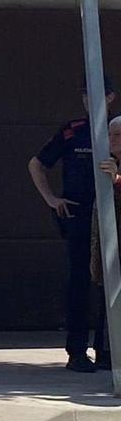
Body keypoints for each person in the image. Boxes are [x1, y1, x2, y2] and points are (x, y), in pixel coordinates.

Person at [28, 77, 115, 372]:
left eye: (95, 95)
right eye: (85, 95)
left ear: (110, 98)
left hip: (111, 216)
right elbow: (37, 163)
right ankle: (76, 352)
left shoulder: (115, 132)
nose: (88, 101)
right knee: (79, 282)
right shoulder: (73, 131)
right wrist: (51, 199)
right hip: (78, 215)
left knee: (111, 284)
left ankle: (107, 349)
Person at [89, 117, 121, 369]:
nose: (111, 141)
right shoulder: (106, 161)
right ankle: (105, 352)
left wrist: (117, 179)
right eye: (109, 135)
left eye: (117, 135)